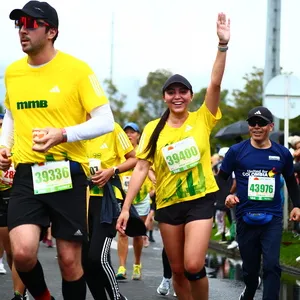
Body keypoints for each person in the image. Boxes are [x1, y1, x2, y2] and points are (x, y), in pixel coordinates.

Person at [0, 1, 114, 300]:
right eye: (19, 24)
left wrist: (63, 134)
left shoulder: (76, 70)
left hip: (67, 173)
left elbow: (106, 120)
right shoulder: (12, 72)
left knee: (68, 260)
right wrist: (4, 145)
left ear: (51, 32)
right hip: (27, 173)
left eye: (31, 24)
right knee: (22, 253)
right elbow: (11, 113)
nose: (23, 30)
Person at [117, 13, 230, 300]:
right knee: (177, 270)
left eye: (183, 91)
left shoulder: (202, 119)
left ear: (191, 95)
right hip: (168, 204)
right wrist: (127, 207)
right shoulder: (153, 129)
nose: (177, 96)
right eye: (171, 92)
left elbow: (215, 85)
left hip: (200, 199)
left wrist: (222, 46)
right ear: (164, 97)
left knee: (193, 265)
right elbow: (141, 168)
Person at [220, 106, 300, 300]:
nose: (256, 127)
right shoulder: (236, 151)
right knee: (250, 268)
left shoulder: (282, 153)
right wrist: (226, 197)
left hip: (272, 216)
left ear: (270, 126)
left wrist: (297, 205)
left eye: (261, 123)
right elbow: (221, 179)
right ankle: (250, 286)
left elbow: (291, 180)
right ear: (249, 127)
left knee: (272, 265)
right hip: (245, 216)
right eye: (252, 123)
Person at [82, 121, 136, 300]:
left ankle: (117, 297)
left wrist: (112, 171)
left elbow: (134, 158)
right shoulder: (74, 130)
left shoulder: (112, 127)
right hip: (81, 202)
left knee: (98, 258)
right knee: (86, 262)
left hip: (108, 201)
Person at [116, 122, 152, 280]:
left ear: (138, 135)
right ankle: (122, 267)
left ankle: (137, 264)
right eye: (127, 132)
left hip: (141, 198)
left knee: (138, 234)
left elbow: (150, 169)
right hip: (123, 198)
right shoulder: (119, 150)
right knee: (122, 233)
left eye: (133, 132)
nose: (129, 135)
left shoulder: (143, 150)